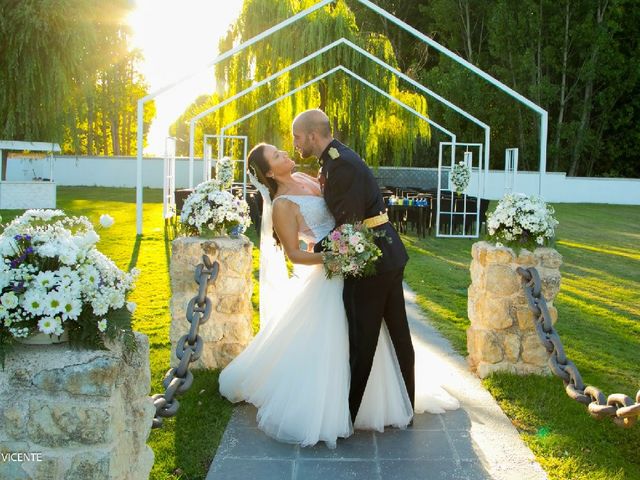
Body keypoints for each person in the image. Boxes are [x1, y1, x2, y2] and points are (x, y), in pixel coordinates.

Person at [218, 142, 448, 448]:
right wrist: (334, 258)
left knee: (368, 333)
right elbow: (296, 255)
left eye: (281, 151)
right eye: (277, 156)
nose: (286, 154)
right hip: (331, 272)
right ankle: (337, 405)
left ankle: (376, 398)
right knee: (340, 339)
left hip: (356, 263)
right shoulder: (284, 205)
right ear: (271, 172)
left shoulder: (311, 179)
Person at [292, 109, 415, 423]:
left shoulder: (340, 165)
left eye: (297, 137)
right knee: (398, 334)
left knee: (362, 340)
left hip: (370, 260)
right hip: (387, 254)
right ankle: (407, 406)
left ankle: (349, 414)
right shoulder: (336, 158)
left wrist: (314, 250)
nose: (295, 143)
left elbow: (349, 226)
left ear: (311, 135)